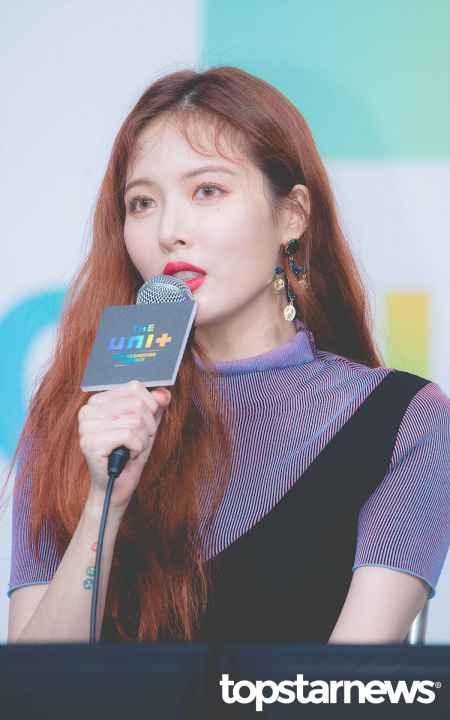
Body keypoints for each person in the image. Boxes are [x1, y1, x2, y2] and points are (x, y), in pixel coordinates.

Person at [4, 66, 449, 644]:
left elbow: (350, 681)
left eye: (207, 191)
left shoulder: (405, 421)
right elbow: (35, 684)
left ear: (291, 216)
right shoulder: (76, 419)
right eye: (142, 202)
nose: (169, 230)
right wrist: (102, 504)